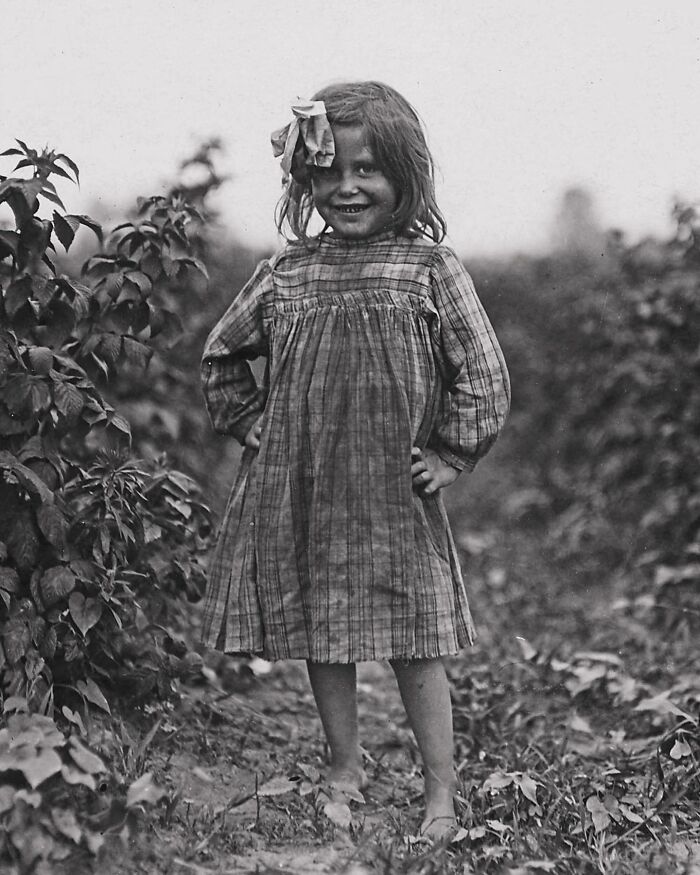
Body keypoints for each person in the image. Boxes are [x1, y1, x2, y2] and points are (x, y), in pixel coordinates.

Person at [200, 81, 510, 840]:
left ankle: (441, 790)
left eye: (367, 169)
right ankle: (345, 764)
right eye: (329, 172)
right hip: (302, 486)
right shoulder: (288, 273)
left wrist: (449, 451)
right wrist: (251, 424)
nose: (348, 187)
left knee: (416, 635)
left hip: (394, 490)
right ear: (304, 180)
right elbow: (222, 354)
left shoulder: (431, 269)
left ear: (405, 176)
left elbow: (485, 373)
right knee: (320, 626)